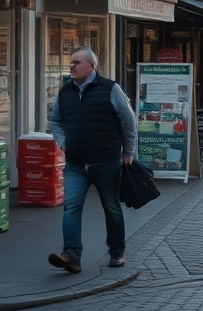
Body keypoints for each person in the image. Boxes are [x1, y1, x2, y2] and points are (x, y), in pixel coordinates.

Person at [49, 47, 137, 272]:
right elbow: (56, 121)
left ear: (91, 66)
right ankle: (71, 256)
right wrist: (61, 141)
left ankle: (117, 252)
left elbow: (128, 121)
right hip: (76, 164)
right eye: (71, 62)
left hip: (106, 162)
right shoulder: (65, 92)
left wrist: (128, 152)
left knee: (111, 208)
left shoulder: (110, 88)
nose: (72, 66)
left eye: (77, 62)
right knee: (70, 208)